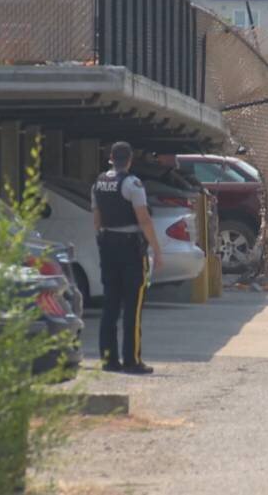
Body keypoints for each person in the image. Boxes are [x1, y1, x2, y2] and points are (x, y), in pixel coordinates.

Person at [92, 142, 163, 374]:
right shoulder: (133, 184)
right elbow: (143, 219)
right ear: (130, 160)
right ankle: (132, 361)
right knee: (133, 305)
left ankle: (108, 359)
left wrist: (102, 240)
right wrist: (156, 250)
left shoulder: (99, 183)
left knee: (110, 304)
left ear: (111, 158)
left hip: (107, 246)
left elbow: (97, 218)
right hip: (130, 250)